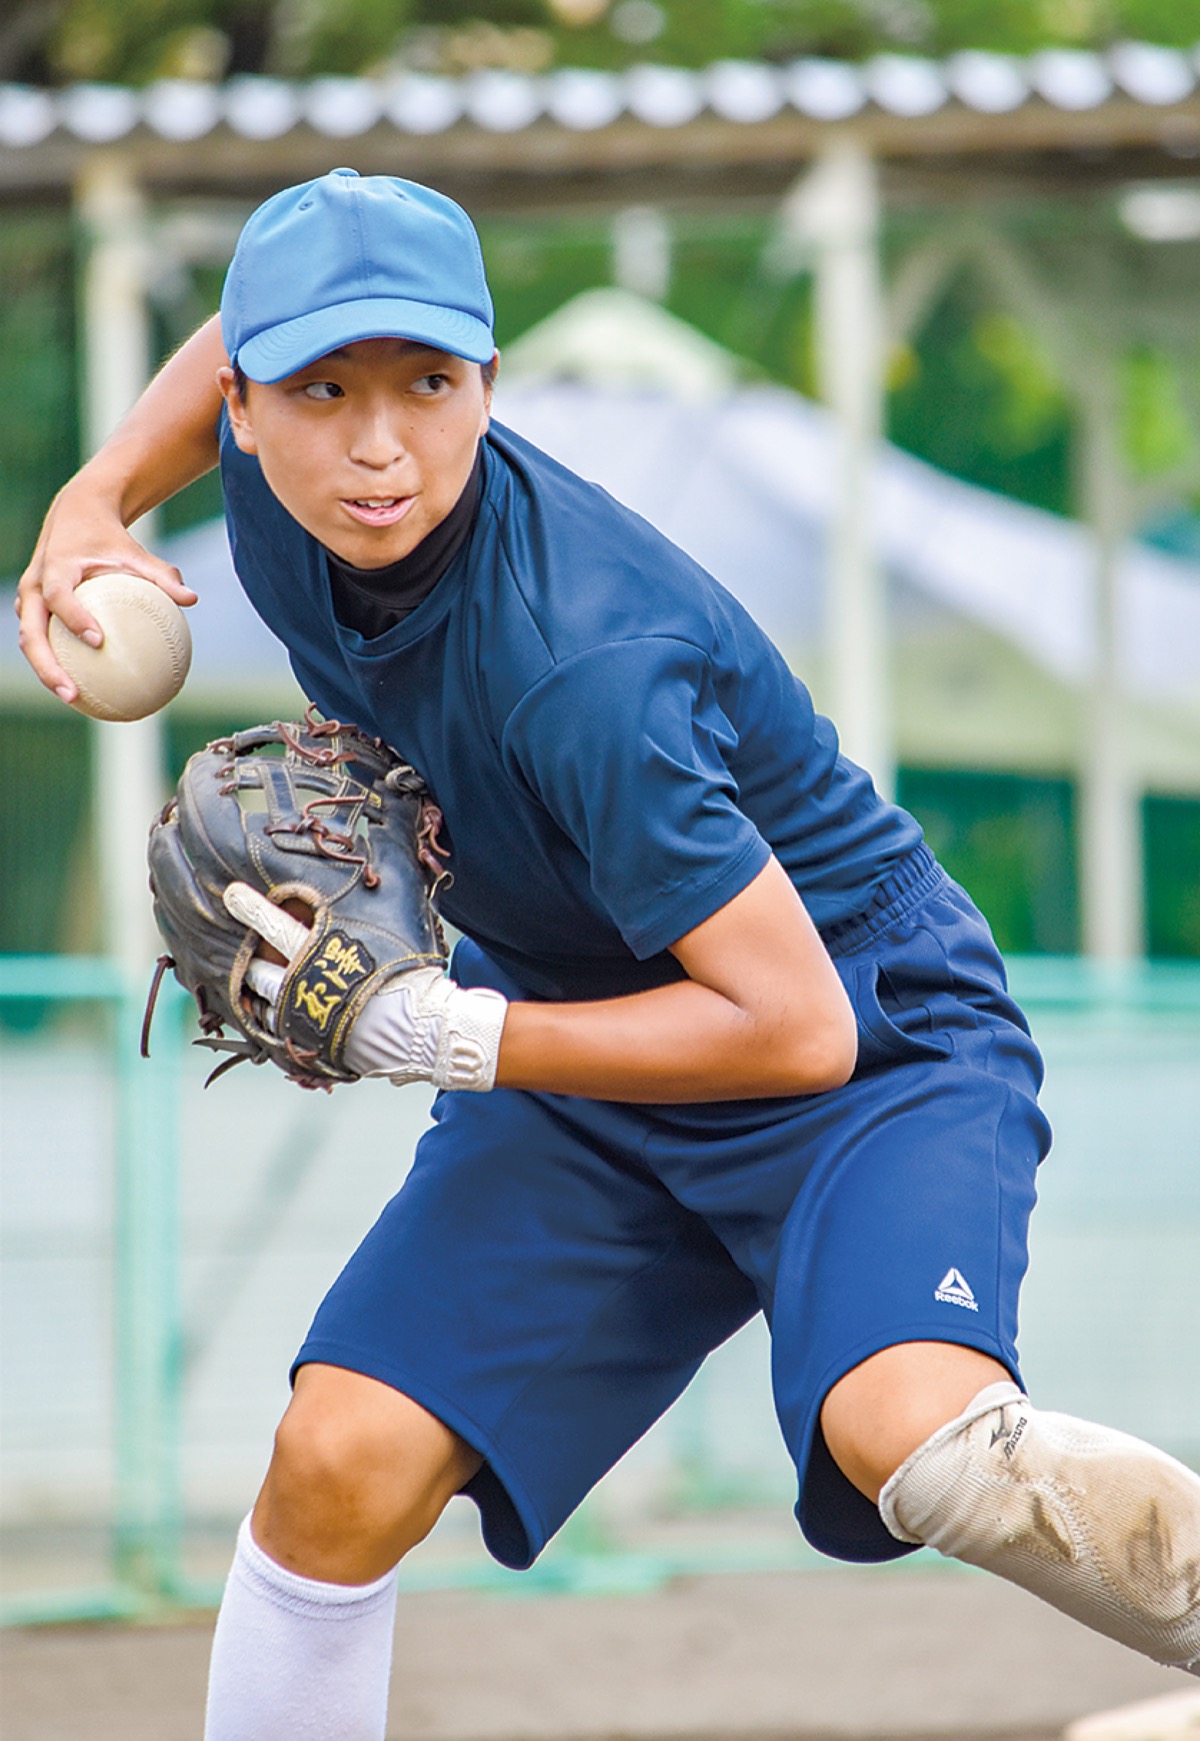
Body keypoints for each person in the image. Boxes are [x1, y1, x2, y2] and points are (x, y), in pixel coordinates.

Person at [18, 168, 1200, 1738]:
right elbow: (230, 331)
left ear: (490, 386)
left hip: (860, 1034)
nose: (380, 444)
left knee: (914, 1442)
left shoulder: (582, 659)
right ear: (244, 408)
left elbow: (790, 1030)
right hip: (588, 1040)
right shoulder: (274, 488)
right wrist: (94, 498)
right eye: (326, 388)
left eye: (431, 383)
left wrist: (446, 1037)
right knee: (338, 1464)